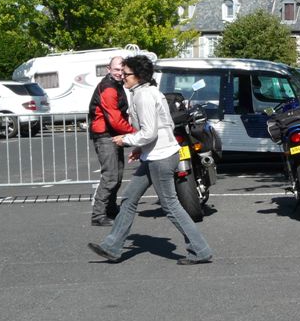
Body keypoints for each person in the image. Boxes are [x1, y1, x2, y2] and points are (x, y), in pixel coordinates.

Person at [87, 55, 213, 265]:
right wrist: (140, 148)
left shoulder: (143, 96)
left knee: (171, 206)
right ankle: (112, 247)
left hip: (160, 157)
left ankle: (200, 250)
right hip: (156, 154)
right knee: (129, 199)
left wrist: (125, 139)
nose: (123, 77)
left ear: (138, 76)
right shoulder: (149, 91)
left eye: (126, 74)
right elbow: (164, 126)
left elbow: (149, 132)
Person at [88, 56, 135, 226]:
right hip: (104, 135)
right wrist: (135, 133)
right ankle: (98, 215)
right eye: (116, 70)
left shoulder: (116, 85)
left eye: (122, 71)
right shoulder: (108, 88)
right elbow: (114, 119)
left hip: (112, 135)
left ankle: (111, 209)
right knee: (110, 176)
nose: (119, 73)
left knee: (118, 174)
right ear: (109, 69)